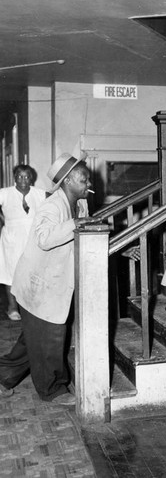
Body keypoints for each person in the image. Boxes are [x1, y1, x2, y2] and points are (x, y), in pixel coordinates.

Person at [0, 153, 101, 403]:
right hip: (39, 286)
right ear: (66, 181)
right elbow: (44, 239)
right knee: (52, 338)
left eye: (88, 179)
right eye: (83, 179)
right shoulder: (52, 206)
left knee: (32, 342)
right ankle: (52, 389)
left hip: (50, 285)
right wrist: (76, 223)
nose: (89, 184)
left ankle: (3, 374)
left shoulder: (79, 203)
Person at [0, 164, 46, 321]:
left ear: (31, 178)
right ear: (15, 177)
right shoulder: (5, 193)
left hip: (32, 238)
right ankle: (12, 307)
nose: (23, 180)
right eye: (20, 176)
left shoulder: (39, 194)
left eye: (27, 177)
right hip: (11, 238)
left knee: (33, 272)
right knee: (10, 272)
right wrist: (3, 220)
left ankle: (31, 307)